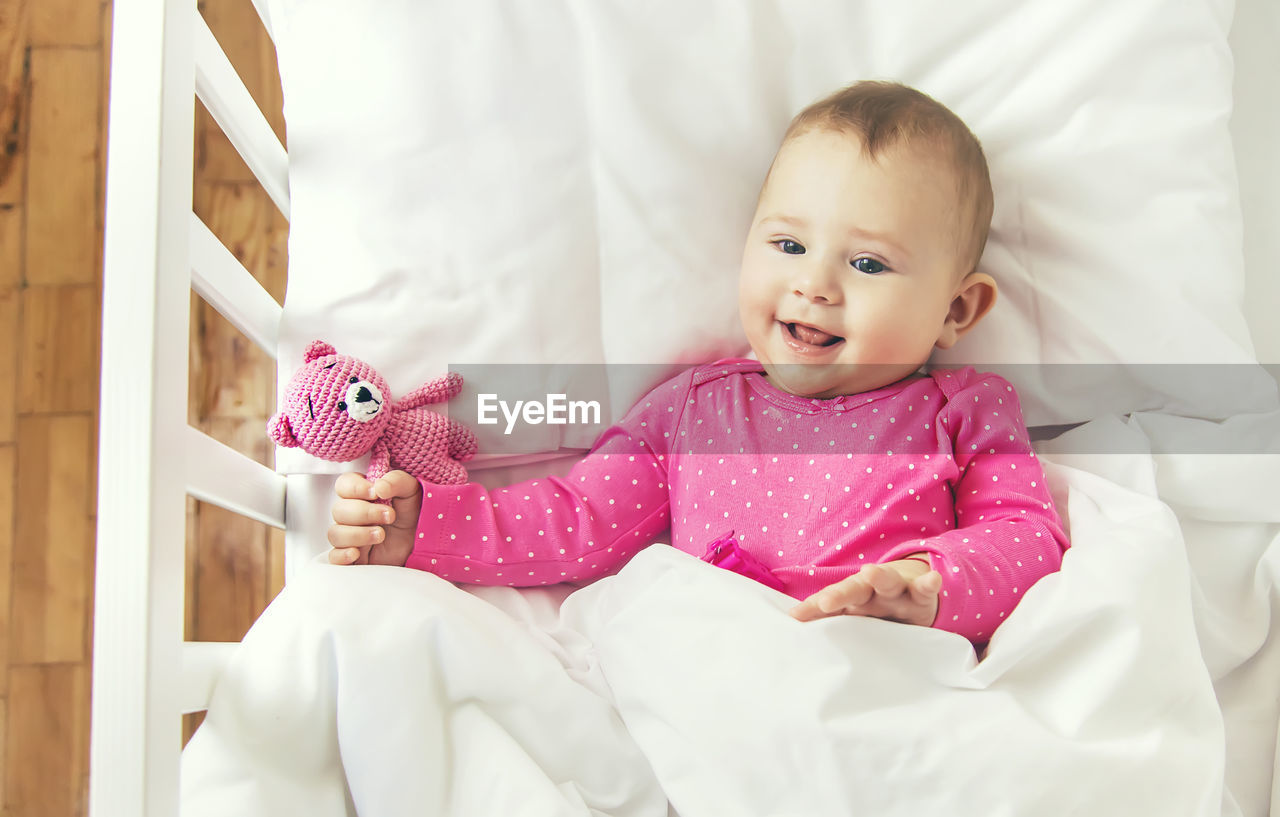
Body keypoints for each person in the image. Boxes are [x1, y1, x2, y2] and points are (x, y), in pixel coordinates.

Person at [325, 80, 1069, 645]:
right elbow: (577, 519)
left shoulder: (965, 409)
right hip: (720, 660)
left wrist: (929, 583)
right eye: (787, 245)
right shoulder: (696, 407)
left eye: (869, 262)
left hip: (884, 668)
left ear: (956, 310)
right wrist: (425, 528)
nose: (814, 284)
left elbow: (1025, 537)